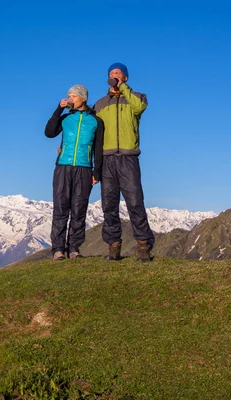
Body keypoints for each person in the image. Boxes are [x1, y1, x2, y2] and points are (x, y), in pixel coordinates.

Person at [94, 63, 155, 262]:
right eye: (111, 73)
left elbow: (140, 108)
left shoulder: (136, 98)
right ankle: (113, 247)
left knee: (135, 202)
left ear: (125, 77)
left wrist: (124, 89)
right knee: (109, 205)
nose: (114, 75)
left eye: (118, 73)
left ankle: (143, 246)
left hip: (129, 158)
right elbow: (92, 130)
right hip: (107, 159)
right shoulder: (101, 104)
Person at [45, 84, 104, 260]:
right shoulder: (65, 118)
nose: (70, 99)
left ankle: (74, 249)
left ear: (83, 98)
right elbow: (49, 133)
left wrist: (97, 172)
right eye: (68, 96)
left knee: (79, 209)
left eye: (73, 97)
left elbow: (98, 148)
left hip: (84, 169)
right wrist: (58, 110)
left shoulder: (96, 121)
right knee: (61, 208)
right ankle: (58, 250)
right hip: (63, 167)